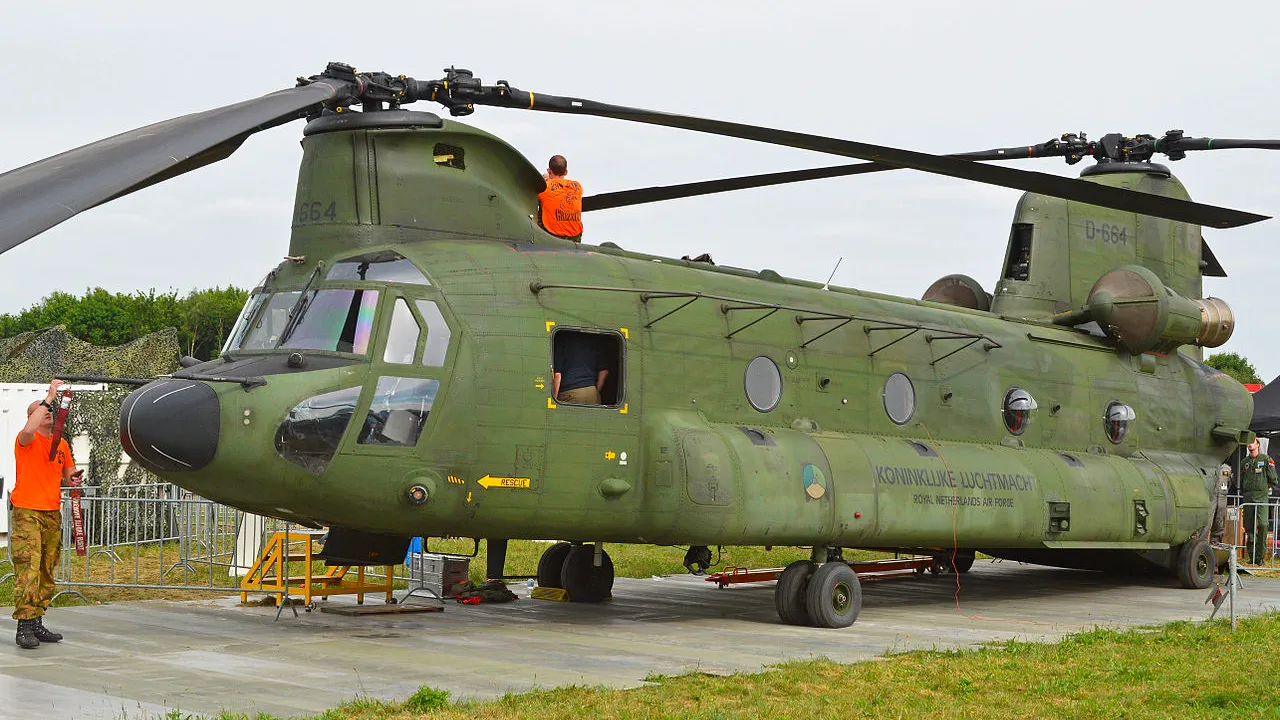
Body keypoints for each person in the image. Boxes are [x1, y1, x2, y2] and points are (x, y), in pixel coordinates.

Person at [11, 379, 83, 649]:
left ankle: (37, 621)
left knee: (46, 569)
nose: (49, 413)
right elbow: (30, 427)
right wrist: (50, 397)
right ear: (33, 416)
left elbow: (67, 474)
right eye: (42, 411)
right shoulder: (25, 440)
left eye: (50, 410)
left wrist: (73, 479)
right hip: (27, 511)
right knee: (28, 569)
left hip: (51, 512)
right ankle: (24, 627)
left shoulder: (60, 443)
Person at [1239, 438, 1277, 565]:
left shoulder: (1266, 459)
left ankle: (1260, 557)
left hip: (1261, 498)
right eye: (1248, 442)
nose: (1250, 444)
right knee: (1249, 528)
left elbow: (1273, 479)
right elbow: (1242, 479)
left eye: (1252, 442)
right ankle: (1252, 557)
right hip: (1248, 497)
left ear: (1258, 444)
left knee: (1263, 525)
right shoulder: (1244, 462)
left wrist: (1264, 488)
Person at [536, 155, 583, 242]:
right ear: (565, 172)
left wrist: (543, 179)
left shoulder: (544, 187)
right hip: (575, 238)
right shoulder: (577, 186)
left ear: (549, 171)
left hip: (552, 236)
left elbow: (532, 190)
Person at [552, 333, 608, 405]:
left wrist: (553, 400)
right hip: (592, 392)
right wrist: (596, 391)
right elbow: (604, 372)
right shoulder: (594, 340)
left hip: (570, 393)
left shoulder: (561, 340)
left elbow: (557, 374)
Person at [1210, 462, 1231, 545]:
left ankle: (1215, 544)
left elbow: (1229, 483)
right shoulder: (1209, 466)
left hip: (1222, 499)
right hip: (1211, 498)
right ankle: (1201, 544)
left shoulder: (1227, 469)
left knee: (1219, 522)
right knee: (1207, 523)